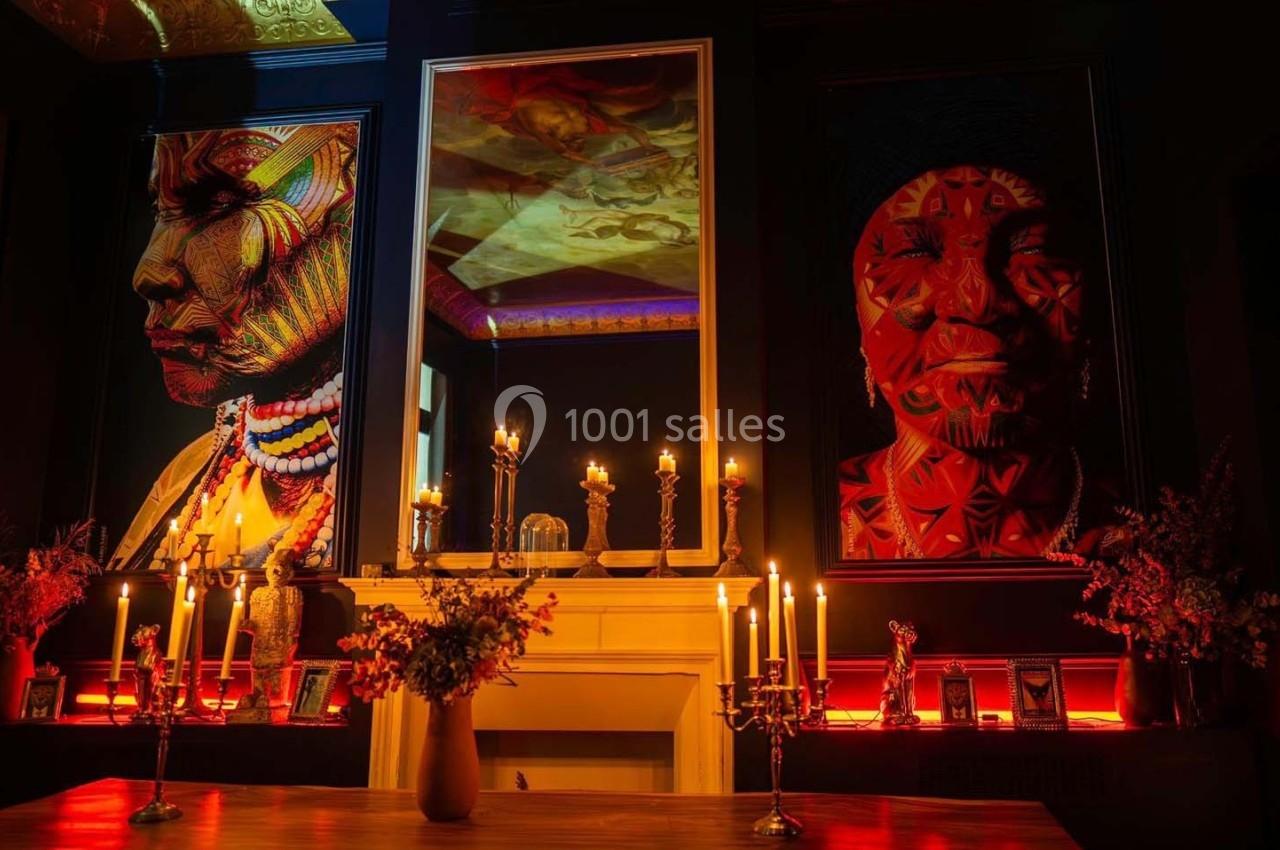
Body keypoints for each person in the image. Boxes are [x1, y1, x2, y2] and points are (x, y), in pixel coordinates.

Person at [109, 123, 358, 573]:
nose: (147, 273)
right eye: (159, 209)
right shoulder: (189, 473)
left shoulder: (391, 486)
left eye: (219, 204)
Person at [840, 165, 1099, 560]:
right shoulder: (821, 523)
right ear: (860, 320)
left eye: (1032, 249)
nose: (975, 300)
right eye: (914, 253)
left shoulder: (1152, 532)